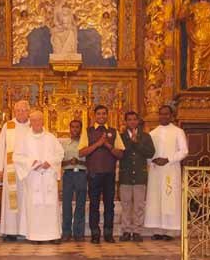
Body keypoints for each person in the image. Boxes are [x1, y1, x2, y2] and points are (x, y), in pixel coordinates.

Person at [14, 110, 64, 243]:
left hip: (48, 177)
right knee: (34, 205)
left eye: (39, 120)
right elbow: (17, 156)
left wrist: (50, 162)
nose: (36, 122)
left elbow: (60, 153)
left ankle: (53, 235)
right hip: (33, 177)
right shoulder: (24, 139)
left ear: (43, 121)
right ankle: (35, 235)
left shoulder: (51, 138)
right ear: (30, 122)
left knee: (50, 205)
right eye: (34, 120)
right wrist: (31, 162)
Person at [79, 104, 124, 244]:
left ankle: (108, 233)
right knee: (94, 205)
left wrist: (108, 145)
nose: (101, 116)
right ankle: (95, 234)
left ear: (107, 115)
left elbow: (120, 154)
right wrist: (98, 144)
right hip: (94, 174)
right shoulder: (88, 131)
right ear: (94, 116)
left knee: (109, 205)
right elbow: (81, 152)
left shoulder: (114, 132)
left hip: (109, 174)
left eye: (104, 113)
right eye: (99, 114)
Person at [144, 104, 188, 240]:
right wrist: (152, 160)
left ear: (171, 116)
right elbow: (148, 152)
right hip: (156, 171)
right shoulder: (152, 133)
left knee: (170, 198)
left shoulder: (178, 132)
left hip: (171, 169)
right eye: (161, 114)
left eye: (166, 114)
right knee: (156, 199)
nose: (163, 116)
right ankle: (157, 229)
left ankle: (170, 231)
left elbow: (184, 151)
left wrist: (168, 159)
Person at [0, 99, 31, 241]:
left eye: (24, 110)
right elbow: (1, 145)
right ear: (14, 112)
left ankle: (26, 230)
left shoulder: (33, 126)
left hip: (27, 170)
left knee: (26, 199)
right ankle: (10, 231)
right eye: (18, 110)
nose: (21, 113)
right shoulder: (8, 126)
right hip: (11, 168)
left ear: (29, 112)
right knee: (11, 199)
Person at [119, 111, 155, 242]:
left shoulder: (145, 136)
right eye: (129, 119)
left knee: (139, 205)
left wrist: (137, 143)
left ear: (138, 121)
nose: (132, 122)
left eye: (134, 119)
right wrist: (131, 142)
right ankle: (126, 230)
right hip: (126, 175)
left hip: (139, 175)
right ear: (125, 122)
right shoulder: (121, 137)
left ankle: (137, 231)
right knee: (126, 205)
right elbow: (120, 153)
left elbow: (150, 153)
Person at [61, 119, 87, 242]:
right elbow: (59, 162)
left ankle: (79, 233)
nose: (75, 129)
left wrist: (79, 162)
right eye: (73, 127)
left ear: (81, 129)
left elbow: (90, 162)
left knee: (80, 204)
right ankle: (66, 232)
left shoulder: (85, 143)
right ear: (69, 129)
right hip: (68, 174)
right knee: (66, 204)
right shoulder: (64, 144)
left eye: (77, 127)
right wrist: (69, 162)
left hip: (81, 174)